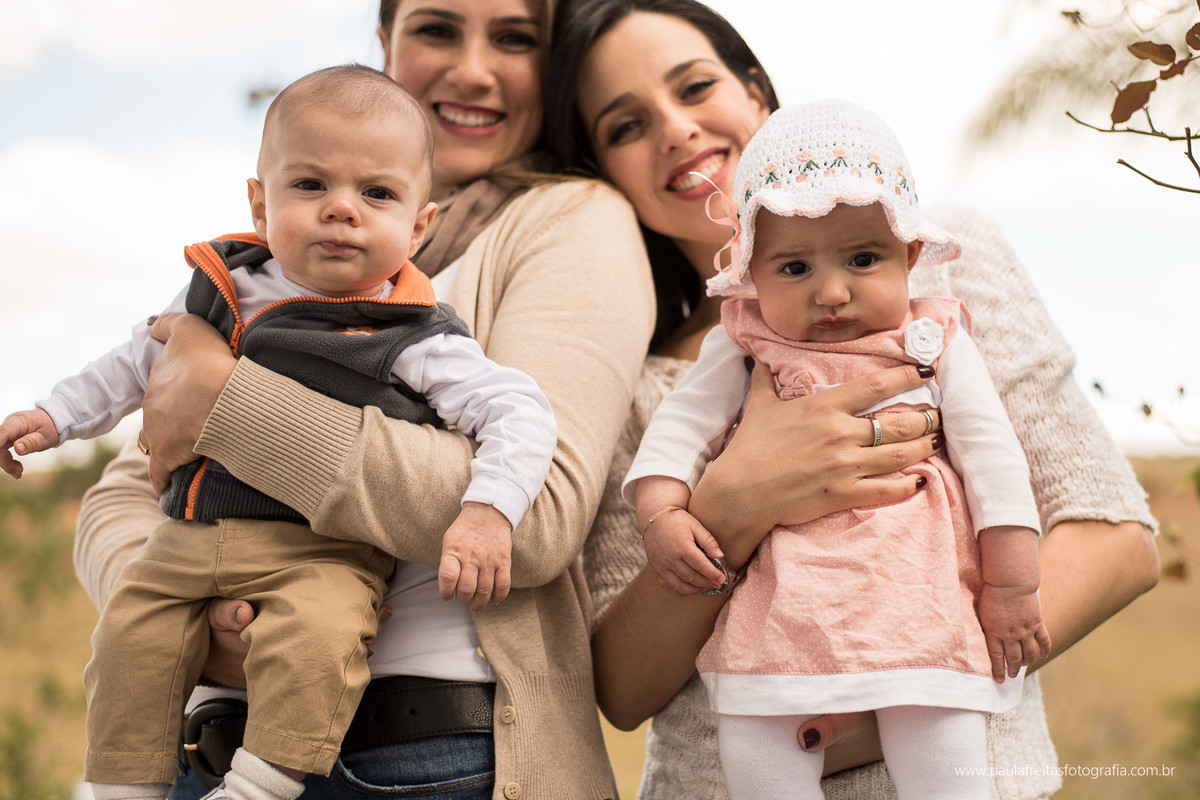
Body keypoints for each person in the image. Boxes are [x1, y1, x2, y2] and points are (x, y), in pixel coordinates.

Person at [544, 1, 1158, 798]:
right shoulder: (633, 375)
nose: (675, 130)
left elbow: (1115, 539)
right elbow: (624, 691)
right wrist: (730, 507)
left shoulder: (944, 278)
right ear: (602, 170)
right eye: (624, 126)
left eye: (695, 87)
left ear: (756, 94)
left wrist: (893, 686)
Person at [72, 1, 662, 798]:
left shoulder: (567, 222)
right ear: (385, 44)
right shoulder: (268, 271)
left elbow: (541, 511)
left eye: (515, 38)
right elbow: (124, 495)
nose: (473, 69)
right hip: (212, 750)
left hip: (422, 757)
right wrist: (196, 615)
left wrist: (228, 399)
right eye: (436, 29)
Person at [4, 65, 559, 800]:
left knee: (322, 637)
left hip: (319, 549)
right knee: (130, 636)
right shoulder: (219, 289)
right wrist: (55, 417)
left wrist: (490, 509)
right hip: (189, 534)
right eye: (310, 186)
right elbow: (135, 362)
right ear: (259, 206)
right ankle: (123, 786)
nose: (342, 210)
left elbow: (518, 410)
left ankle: (262, 784)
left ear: (419, 225)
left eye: (378, 194)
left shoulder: (415, 331)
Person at [625, 98, 1051, 798]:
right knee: (755, 741)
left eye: (862, 258)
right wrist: (662, 514)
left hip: (918, 601)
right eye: (793, 268)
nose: (831, 291)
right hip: (786, 608)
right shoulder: (743, 342)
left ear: (910, 256)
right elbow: (678, 430)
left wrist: (1011, 586)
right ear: (752, 273)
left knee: (945, 747)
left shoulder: (935, 341)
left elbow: (992, 460)